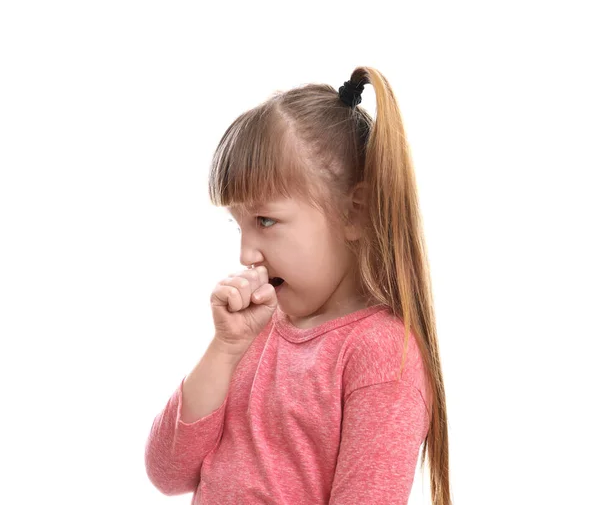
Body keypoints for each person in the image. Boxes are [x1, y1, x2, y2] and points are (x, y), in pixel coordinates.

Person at [144, 66, 452, 505]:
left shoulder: (381, 355)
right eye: (238, 225)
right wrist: (224, 349)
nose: (246, 254)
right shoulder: (255, 331)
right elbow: (167, 472)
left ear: (355, 213)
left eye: (265, 221)